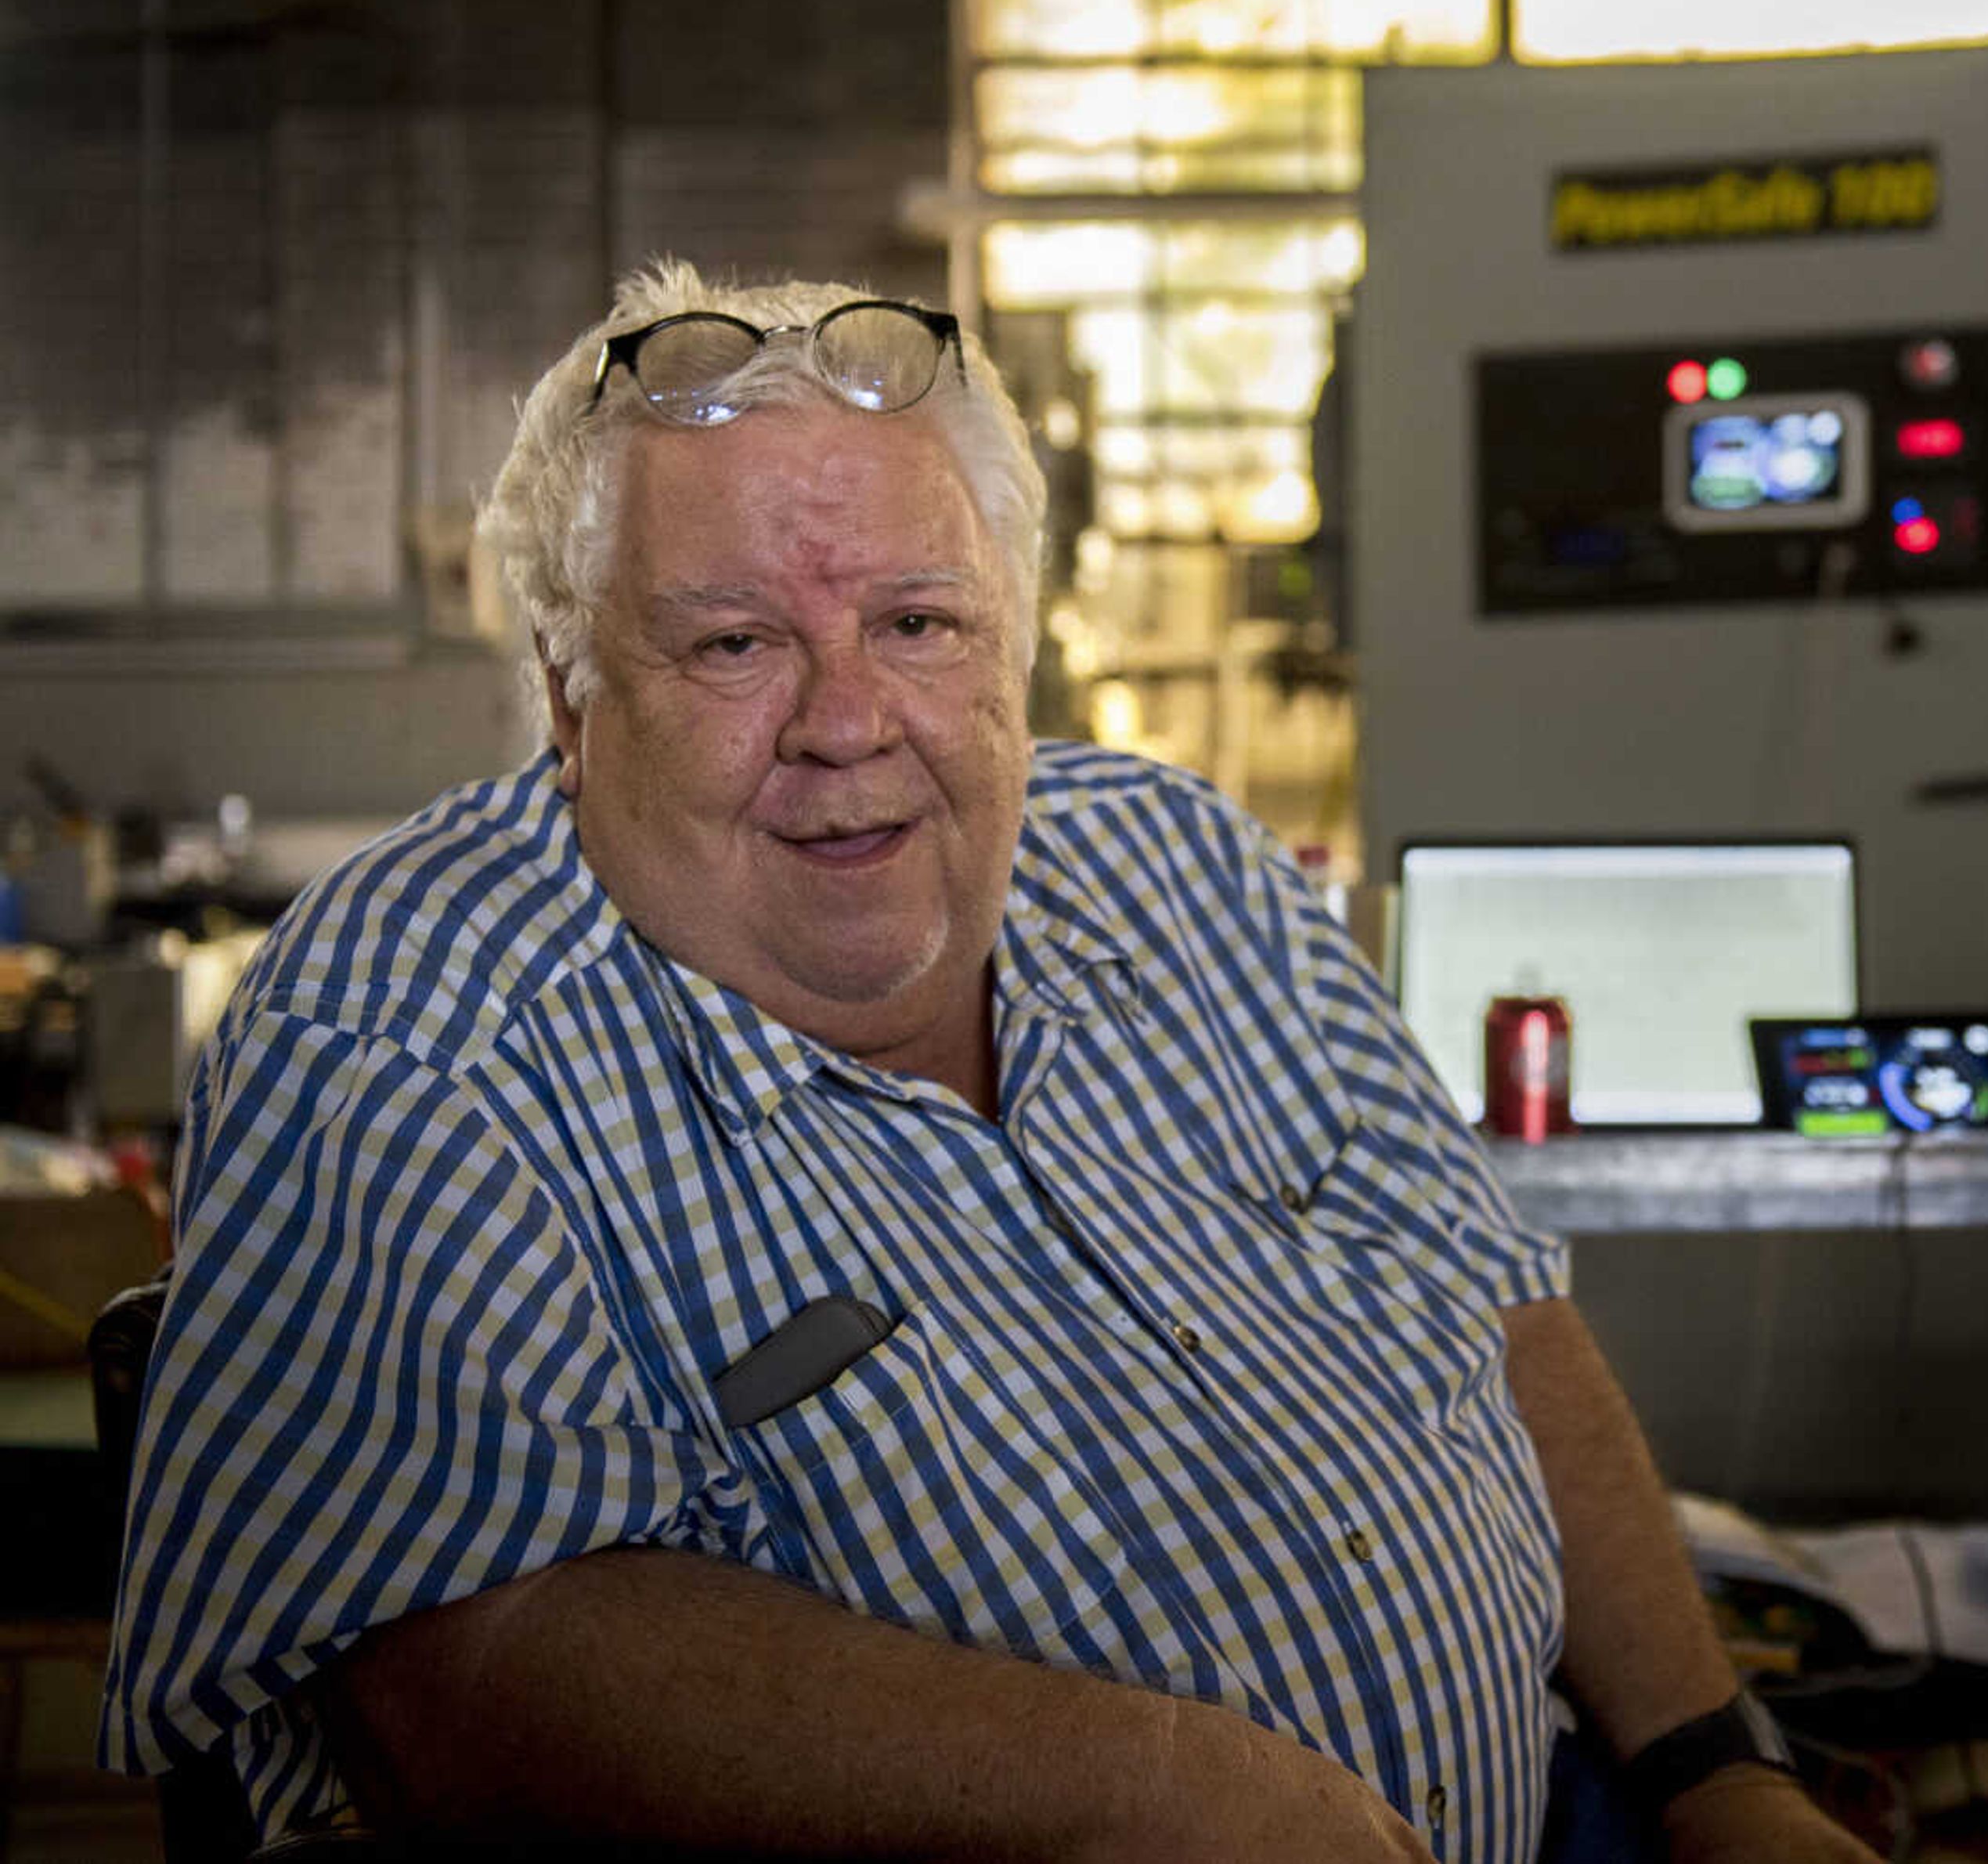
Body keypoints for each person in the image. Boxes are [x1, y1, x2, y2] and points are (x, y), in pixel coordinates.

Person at [102, 262, 1882, 1864]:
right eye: (734, 644)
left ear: (1016, 647)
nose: (849, 722)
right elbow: (457, 1676)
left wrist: (1716, 1768)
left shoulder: (1184, 871)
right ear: (571, 701)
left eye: (920, 624)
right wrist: (1167, 1790)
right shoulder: (407, 1025)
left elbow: (1490, 1307)